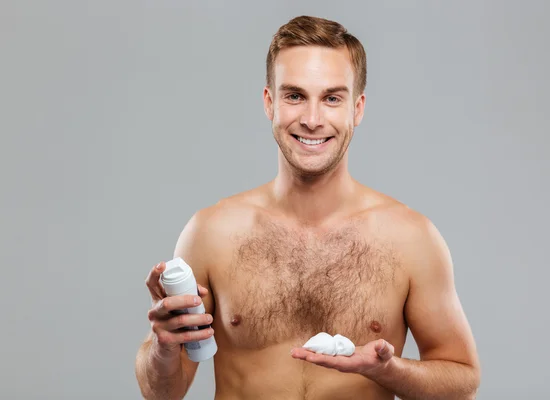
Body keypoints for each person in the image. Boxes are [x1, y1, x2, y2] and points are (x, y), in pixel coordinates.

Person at [135, 15, 481, 400]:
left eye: (332, 98)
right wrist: (163, 346)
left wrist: (388, 370)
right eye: (295, 96)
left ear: (357, 108)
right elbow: (162, 393)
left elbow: (462, 382)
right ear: (270, 102)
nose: (312, 120)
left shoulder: (411, 239)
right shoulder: (211, 232)